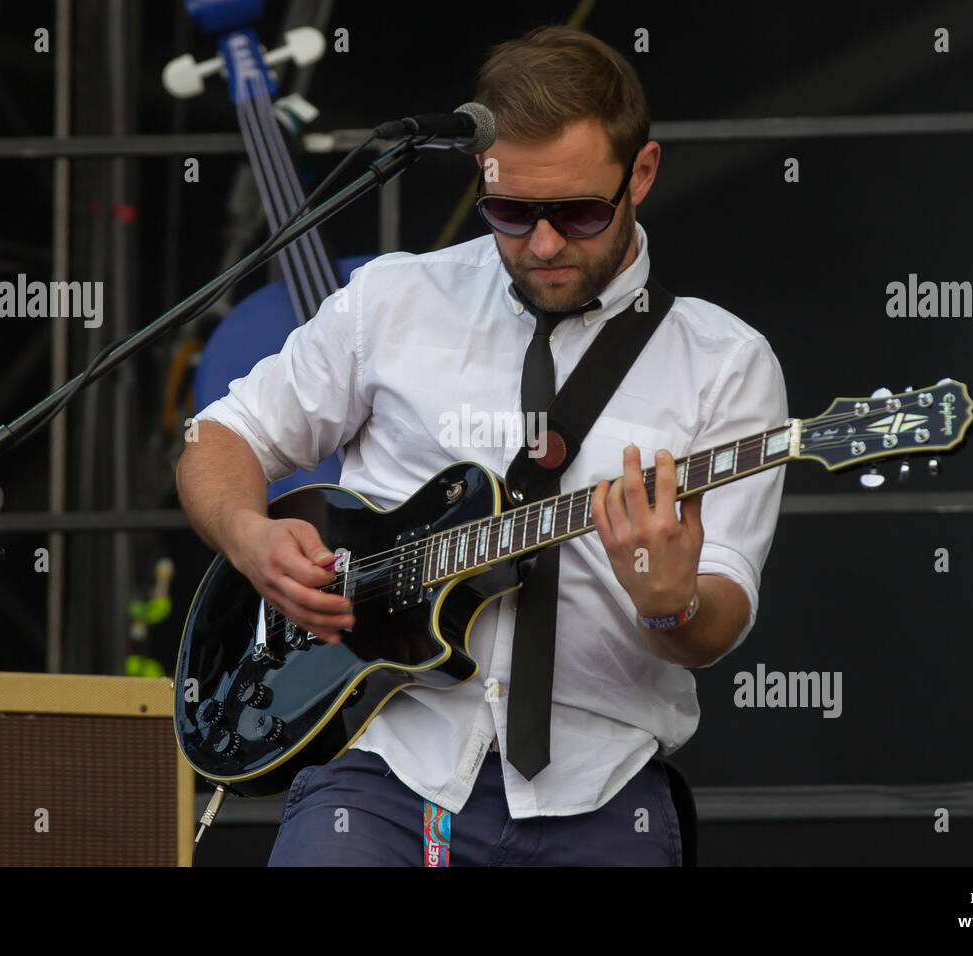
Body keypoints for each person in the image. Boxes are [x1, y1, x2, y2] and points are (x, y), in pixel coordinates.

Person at [176, 25, 788, 866]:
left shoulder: (727, 364)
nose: (542, 244)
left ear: (641, 173)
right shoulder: (393, 300)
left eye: (576, 213)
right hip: (389, 766)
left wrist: (670, 601)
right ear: (482, 174)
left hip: (603, 786)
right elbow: (220, 437)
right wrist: (250, 537)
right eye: (511, 211)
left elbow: (716, 620)